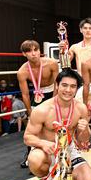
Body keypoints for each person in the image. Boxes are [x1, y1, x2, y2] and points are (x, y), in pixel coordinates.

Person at [24, 68, 91, 180]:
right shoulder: (42, 110)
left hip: (69, 150)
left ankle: (62, 174)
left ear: (77, 89)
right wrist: (42, 143)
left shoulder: (81, 108)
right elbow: (27, 137)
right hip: (47, 150)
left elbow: (83, 140)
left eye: (73, 86)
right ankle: (47, 178)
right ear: (57, 85)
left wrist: (85, 129)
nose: (68, 90)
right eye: (64, 85)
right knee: (34, 160)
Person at [17, 40, 59, 168]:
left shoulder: (51, 63)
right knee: (33, 125)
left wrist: (55, 101)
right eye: (29, 51)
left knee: (56, 122)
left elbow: (58, 84)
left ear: (40, 51)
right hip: (37, 94)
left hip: (53, 92)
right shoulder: (22, 71)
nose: (34, 53)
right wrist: (29, 112)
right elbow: (24, 94)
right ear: (24, 54)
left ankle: (60, 150)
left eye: (36, 50)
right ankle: (30, 154)